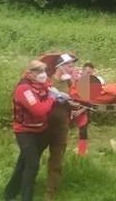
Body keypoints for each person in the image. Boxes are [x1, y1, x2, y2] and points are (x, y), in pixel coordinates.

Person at [3, 60, 60, 201]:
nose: (43, 75)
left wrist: (58, 95)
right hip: (24, 131)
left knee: (24, 162)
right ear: (30, 73)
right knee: (33, 164)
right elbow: (39, 110)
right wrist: (52, 98)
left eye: (44, 71)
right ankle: (27, 197)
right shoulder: (24, 89)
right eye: (39, 72)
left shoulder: (42, 85)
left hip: (40, 130)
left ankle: (10, 193)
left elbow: (49, 92)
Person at [45, 53, 77, 201]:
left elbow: (83, 96)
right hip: (44, 126)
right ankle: (24, 185)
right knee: (32, 157)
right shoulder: (47, 81)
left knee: (57, 158)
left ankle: (50, 192)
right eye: (70, 66)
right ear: (61, 67)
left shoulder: (71, 83)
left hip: (62, 125)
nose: (72, 68)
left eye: (73, 66)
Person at [73, 62, 103, 156]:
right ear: (82, 72)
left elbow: (90, 102)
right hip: (70, 108)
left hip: (83, 110)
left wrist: (80, 111)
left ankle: (82, 152)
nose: (89, 75)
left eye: (91, 73)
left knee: (83, 130)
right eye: (87, 73)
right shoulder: (74, 81)